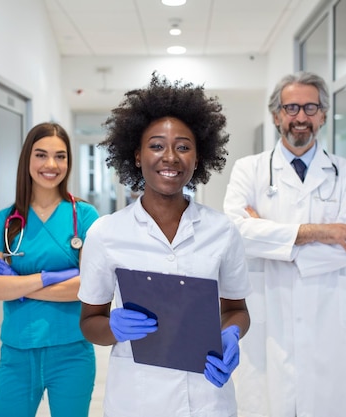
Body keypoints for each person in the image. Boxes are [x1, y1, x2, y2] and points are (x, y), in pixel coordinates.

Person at [78, 73, 252, 417]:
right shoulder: (105, 232)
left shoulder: (222, 230)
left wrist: (231, 333)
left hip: (208, 397)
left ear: (199, 158)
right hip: (137, 398)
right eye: (156, 145)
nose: (170, 157)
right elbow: (89, 322)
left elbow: (237, 309)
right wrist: (112, 327)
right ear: (138, 156)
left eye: (183, 147)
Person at [223, 71, 346, 417]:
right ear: (276, 115)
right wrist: (319, 232)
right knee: (268, 404)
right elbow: (235, 233)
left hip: (329, 315)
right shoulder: (250, 170)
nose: (300, 117)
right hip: (268, 313)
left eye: (310, 107)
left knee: (327, 405)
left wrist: (268, 234)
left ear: (322, 115)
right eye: (291, 107)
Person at [0, 122, 99, 417]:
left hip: (71, 352)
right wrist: (53, 277)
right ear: (27, 160)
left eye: (60, 156)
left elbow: (89, 287)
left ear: (69, 162)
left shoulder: (84, 216)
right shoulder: (5, 220)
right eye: (41, 155)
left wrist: (18, 285)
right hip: (17, 353)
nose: (51, 164)